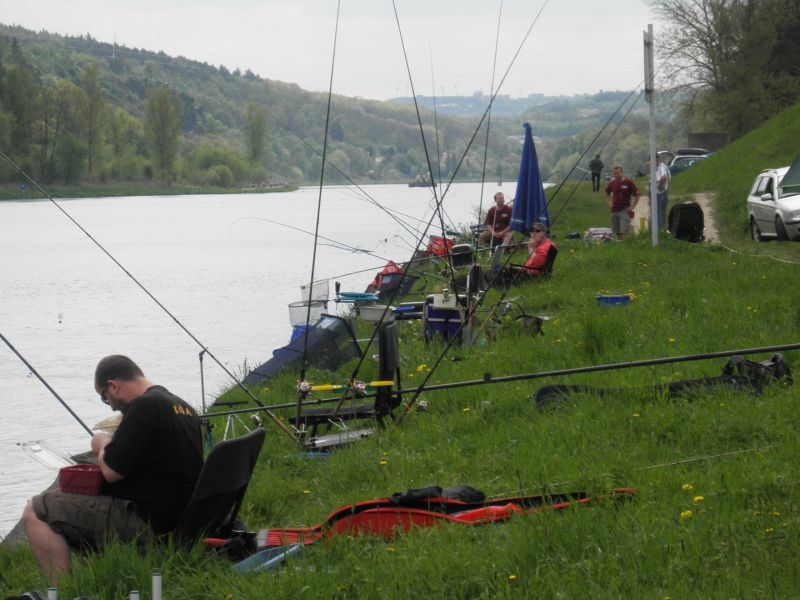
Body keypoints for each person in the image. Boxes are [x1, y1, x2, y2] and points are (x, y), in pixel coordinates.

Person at [21, 355, 203, 585]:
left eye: (105, 398)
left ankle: (62, 591)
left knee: (37, 509)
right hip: (182, 521)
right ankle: (96, 580)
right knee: (76, 503)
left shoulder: (143, 406)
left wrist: (103, 442)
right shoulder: (181, 407)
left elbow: (111, 471)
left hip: (150, 525)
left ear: (113, 386)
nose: (111, 406)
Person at [491, 222, 556, 285]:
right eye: (532, 231)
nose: (534, 233)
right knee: (497, 268)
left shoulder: (545, 247)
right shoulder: (544, 244)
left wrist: (531, 248)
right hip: (527, 271)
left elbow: (538, 262)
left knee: (497, 270)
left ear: (544, 233)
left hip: (530, 274)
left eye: (537, 231)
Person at [604, 166, 640, 240]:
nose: (616, 175)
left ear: (622, 173)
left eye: (618, 173)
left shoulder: (628, 182)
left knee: (624, 231)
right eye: (615, 173)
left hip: (624, 210)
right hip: (614, 210)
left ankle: (625, 244)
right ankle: (619, 244)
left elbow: (637, 194)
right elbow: (606, 192)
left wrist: (632, 206)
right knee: (616, 232)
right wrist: (608, 202)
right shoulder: (612, 183)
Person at [646, 155, 671, 230]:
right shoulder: (656, 167)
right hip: (657, 193)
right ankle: (660, 231)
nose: (650, 164)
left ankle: (659, 232)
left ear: (656, 160)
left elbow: (663, 177)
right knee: (658, 214)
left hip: (659, 194)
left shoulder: (661, 167)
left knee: (658, 214)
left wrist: (659, 186)